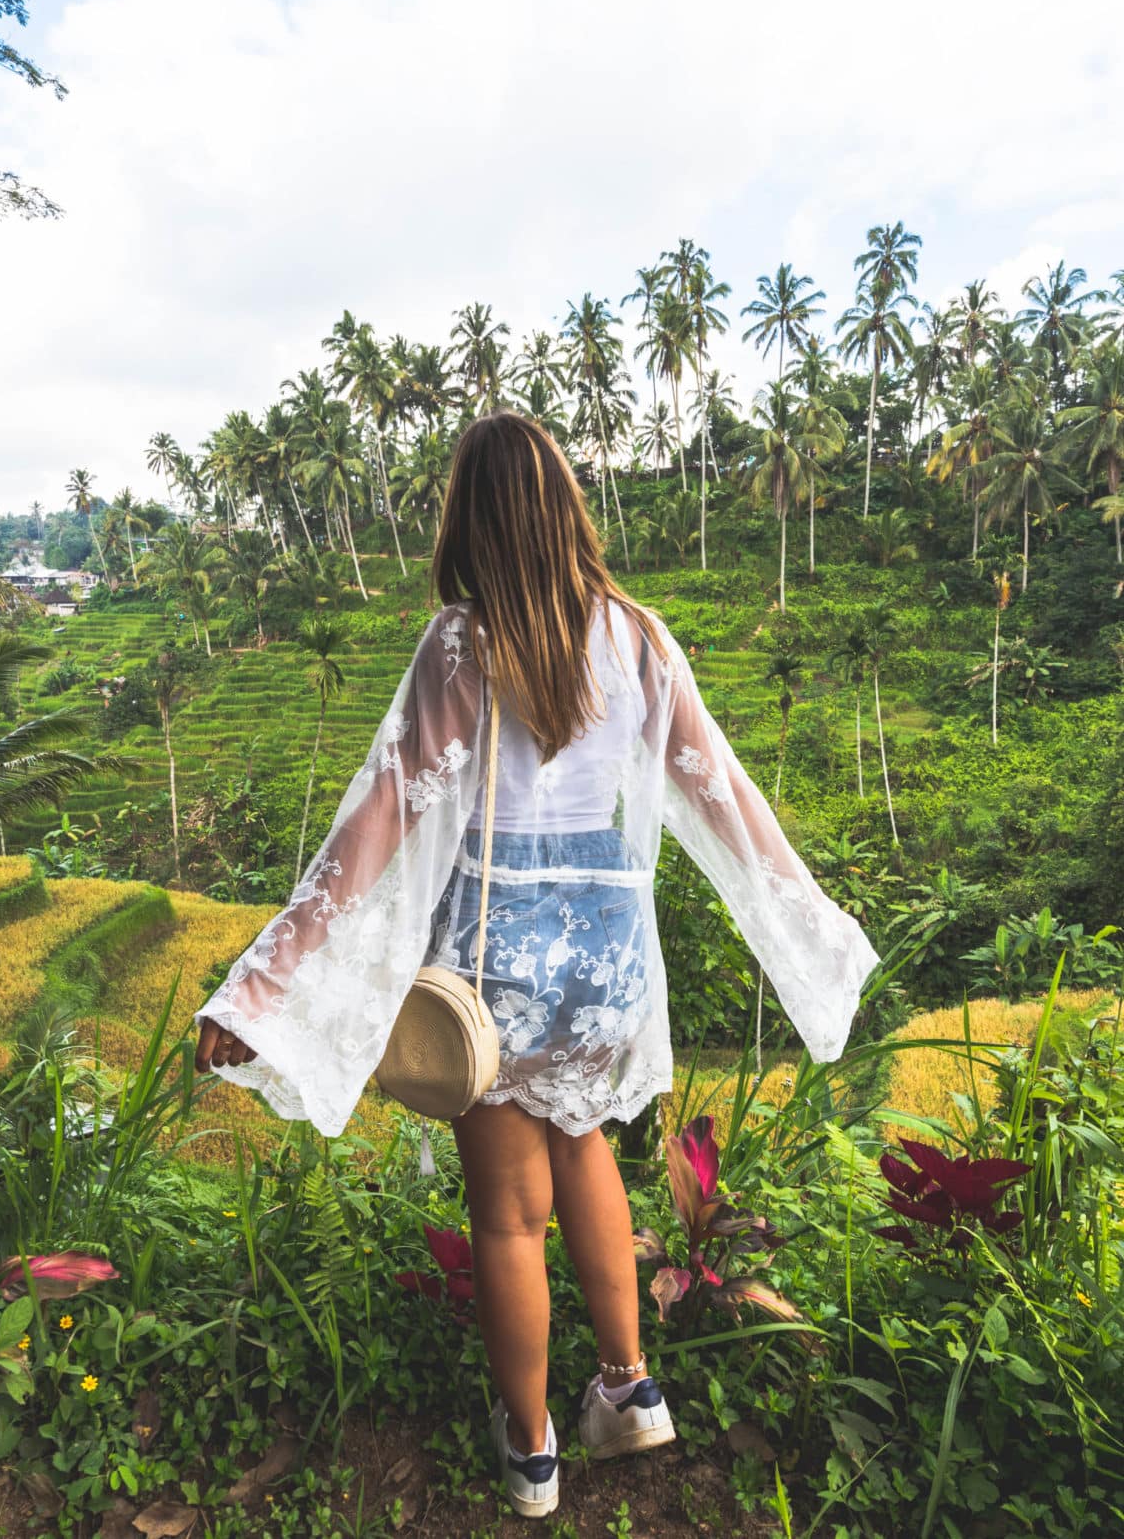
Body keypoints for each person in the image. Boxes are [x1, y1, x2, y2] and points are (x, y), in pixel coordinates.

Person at [193, 411, 881, 1520]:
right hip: (604, 961)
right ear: (564, 507)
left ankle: (531, 1455)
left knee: (507, 1217)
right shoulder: (640, 639)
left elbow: (374, 828)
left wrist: (260, 985)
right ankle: (627, 1386)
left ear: (469, 518)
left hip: (493, 962)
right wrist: (811, 923)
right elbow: (724, 801)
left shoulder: (462, 647)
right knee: (587, 1155)